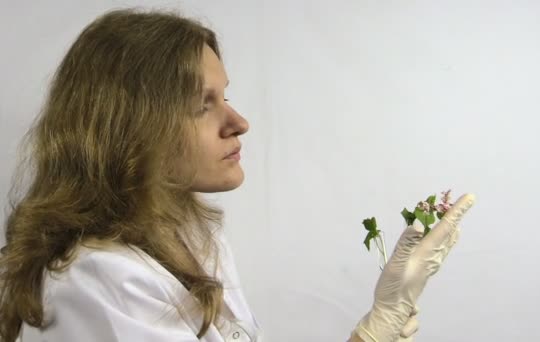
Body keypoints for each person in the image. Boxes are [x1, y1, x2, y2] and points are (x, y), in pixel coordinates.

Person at [0, 8, 475, 342]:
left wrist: (379, 320)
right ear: (129, 127)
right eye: (200, 104)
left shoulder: (191, 236)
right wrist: (373, 332)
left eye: (225, 96)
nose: (238, 122)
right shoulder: (100, 283)